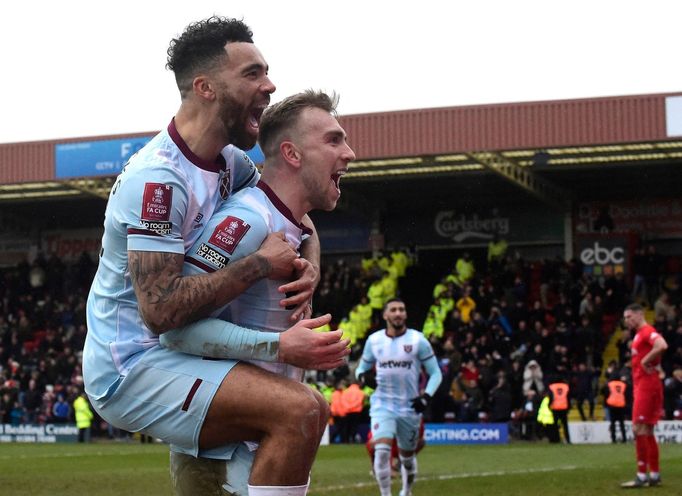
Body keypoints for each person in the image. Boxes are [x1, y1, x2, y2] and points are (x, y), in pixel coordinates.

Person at [82, 17, 348, 496]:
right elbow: (161, 313)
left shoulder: (232, 163)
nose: (269, 85)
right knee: (300, 409)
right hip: (131, 364)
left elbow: (288, 209)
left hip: (180, 351)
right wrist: (259, 265)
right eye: (252, 73)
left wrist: (310, 258)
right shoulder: (157, 182)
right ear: (204, 87)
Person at [160, 89, 355, 493]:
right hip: (221, 458)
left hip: (265, 438)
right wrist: (279, 345)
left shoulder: (290, 224)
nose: (349, 153)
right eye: (334, 140)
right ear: (293, 154)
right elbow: (176, 330)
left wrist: (313, 263)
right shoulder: (245, 221)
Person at [355, 298, 443, 496]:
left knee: (407, 459)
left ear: (405, 314)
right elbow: (360, 369)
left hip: (409, 407)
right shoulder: (374, 341)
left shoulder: (418, 340)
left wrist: (426, 397)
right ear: (386, 315)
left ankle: (406, 490)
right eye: (393, 310)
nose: (398, 313)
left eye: (401, 310)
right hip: (382, 404)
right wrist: (363, 377)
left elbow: (436, 373)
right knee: (382, 451)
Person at [621, 304, 668, 488]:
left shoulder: (647, 331)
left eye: (629, 316)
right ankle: (654, 475)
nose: (627, 321)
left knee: (638, 429)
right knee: (646, 430)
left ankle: (641, 475)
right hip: (646, 385)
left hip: (647, 387)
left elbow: (662, 345)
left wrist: (645, 360)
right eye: (625, 318)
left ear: (640, 314)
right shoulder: (639, 334)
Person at [603, 374, 628, 444]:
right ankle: (624, 439)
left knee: (613, 423)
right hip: (621, 405)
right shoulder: (623, 384)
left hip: (612, 405)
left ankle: (613, 439)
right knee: (622, 424)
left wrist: (606, 403)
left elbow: (605, 393)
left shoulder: (610, 384)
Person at [547, 377, 571, 444]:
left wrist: (549, 405)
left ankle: (556, 439)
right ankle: (568, 439)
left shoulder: (552, 387)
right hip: (564, 408)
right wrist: (569, 407)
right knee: (565, 425)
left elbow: (550, 397)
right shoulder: (566, 386)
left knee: (555, 425)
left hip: (555, 408)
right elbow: (568, 397)